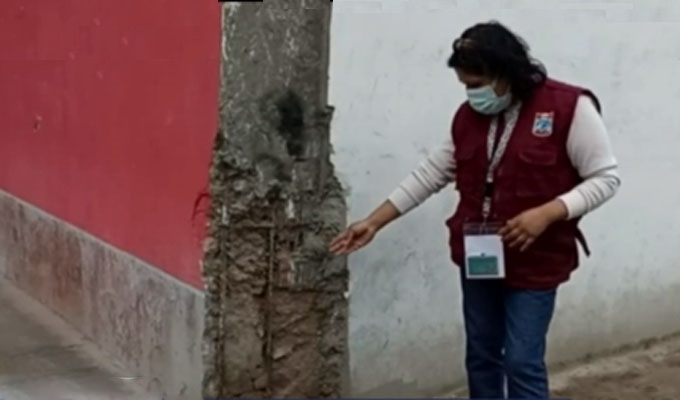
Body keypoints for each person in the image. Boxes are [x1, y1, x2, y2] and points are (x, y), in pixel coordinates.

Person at [329, 21, 621, 399]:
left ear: (505, 73)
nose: (472, 94)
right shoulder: (468, 117)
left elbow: (605, 178)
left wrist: (549, 212)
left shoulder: (569, 108)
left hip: (536, 259)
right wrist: (374, 222)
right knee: (482, 355)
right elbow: (432, 173)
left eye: (477, 84)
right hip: (480, 257)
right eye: (466, 85)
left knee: (522, 361)